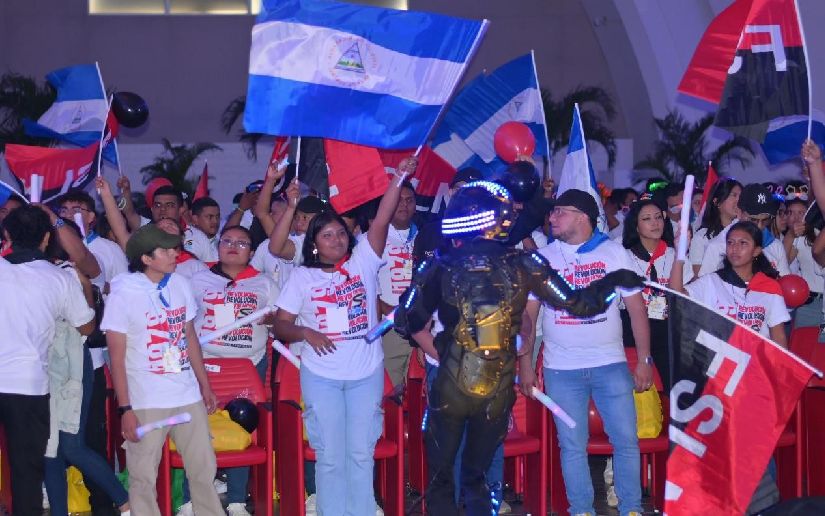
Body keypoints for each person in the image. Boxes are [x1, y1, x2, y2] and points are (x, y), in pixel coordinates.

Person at [395, 182, 642, 516]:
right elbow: (581, 304)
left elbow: (407, 320)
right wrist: (614, 281)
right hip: (480, 382)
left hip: (466, 379)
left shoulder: (451, 263)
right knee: (469, 469)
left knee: (459, 469)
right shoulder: (518, 262)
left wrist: (451, 347)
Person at [272, 157, 416, 516]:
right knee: (331, 455)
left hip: (365, 374)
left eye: (340, 233)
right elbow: (280, 325)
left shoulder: (363, 260)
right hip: (321, 376)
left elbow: (381, 218)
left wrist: (398, 178)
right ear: (314, 244)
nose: (336, 239)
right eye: (327, 235)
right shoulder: (302, 277)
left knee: (361, 453)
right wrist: (305, 331)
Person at [525, 188, 651, 516]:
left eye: (560, 211)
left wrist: (644, 360)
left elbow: (637, 310)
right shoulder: (544, 258)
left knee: (626, 441)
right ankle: (581, 510)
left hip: (611, 364)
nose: (552, 217)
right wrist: (525, 364)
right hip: (560, 368)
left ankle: (632, 509)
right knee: (571, 446)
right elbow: (529, 316)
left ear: (582, 217)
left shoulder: (614, 253)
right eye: (552, 211)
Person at [101, 224, 224, 516]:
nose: (174, 254)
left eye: (174, 248)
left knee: (204, 470)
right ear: (146, 258)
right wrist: (125, 408)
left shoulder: (180, 284)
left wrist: (205, 385)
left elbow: (189, 336)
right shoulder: (123, 293)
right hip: (146, 400)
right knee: (143, 476)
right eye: (166, 250)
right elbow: (116, 358)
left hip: (187, 394)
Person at [0, 205, 95, 514]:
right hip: (28, 387)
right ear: (45, 238)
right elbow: (86, 326)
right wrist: (85, 287)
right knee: (26, 473)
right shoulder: (59, 279)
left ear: (7, 234)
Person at [182, 225, 278, 516]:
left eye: (242, 243)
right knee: (197, 430)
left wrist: (272, 319)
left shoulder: (264, 282)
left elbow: (283, 320)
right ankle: (191, 499)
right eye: (228, 241)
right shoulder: (197, 280)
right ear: (218, 246)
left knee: (242, 428)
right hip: (206, 365)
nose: (234, 246)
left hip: (249, 365)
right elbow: (183, 321)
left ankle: (237, 499)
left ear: (252, 251)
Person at [42, 217, 131, 516]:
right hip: (42, 368)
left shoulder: (72, 273)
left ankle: (125, 502)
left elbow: (87, 324)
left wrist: (83, 285)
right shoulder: (28, 272)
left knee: (72, 446)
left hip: (74, 367)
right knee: (51, 449)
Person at [621, 198, 688, 389]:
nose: (655, 223)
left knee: (669, 390)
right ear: (635, 225)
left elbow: (683, 295)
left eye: (658, 217)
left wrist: (680, 253)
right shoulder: (624, 257)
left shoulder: (674, 254)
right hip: (632, 331)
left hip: (667, 330)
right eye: (647, 219)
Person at [698, 183, 790, 277]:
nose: (759, 226)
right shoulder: (718, 247)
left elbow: (783, 281)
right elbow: (705, 283)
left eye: (765, 220)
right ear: (739, 212)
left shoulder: (775, 245)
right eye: (753, 220)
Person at [377, 180, 417, 386]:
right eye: (399, 200)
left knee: (418, 392)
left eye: (409, 200)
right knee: (388, 391)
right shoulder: (373, 240)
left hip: (421, 328)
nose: (404, 205)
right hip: (389, 326)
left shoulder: (425, 237)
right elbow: (362, 286)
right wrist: (388, 311)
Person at [689, 178, 742, 276]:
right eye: (734, 195)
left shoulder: (746, 233)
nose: (738, 200)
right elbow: (698, 276)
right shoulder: (702, 236)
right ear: (717, 202)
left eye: (741, 196)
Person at [784, 198, 823, 327]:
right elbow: (783, 262)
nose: (796, 217)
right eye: (791, 212)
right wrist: (790, 235)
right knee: (802, 339)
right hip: (808, 304)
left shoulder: (820, 235)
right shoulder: (799, 239)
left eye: (801, 213)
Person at [184, 197, 221, 262]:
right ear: (195, 219)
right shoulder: (191, 239)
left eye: (217, 216)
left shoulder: (220, 237)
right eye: (210, 217)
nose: (215, 221)